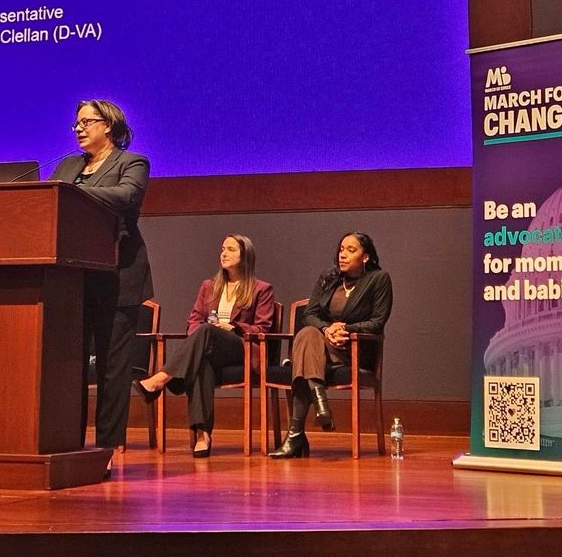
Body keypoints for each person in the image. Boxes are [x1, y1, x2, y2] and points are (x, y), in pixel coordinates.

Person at [50, 100, 151, 474]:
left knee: (112, 367)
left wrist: (74, 193)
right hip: (71, 279)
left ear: (108, 125)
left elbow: (127, 197)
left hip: (117, 274)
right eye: (75, 123)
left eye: (86, 121)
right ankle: (67, 444)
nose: (78, 128)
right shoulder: (67, 166)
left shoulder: (133, 162)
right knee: (68, 365)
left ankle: (107, 449)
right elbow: (48, 203)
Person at [134, 235, 274, 457]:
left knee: (208, 331)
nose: (223, 253)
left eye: (230, 249)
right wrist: (200, 335)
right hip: (210, 348)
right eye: (222, 249)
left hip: (240, 349)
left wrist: (233, 327)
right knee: (201, 362)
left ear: (245, 256)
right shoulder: (209, 286)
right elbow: (194, 321)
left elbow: (263, 328)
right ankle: (203, 434)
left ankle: (162, 378)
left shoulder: (261, 289)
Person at [269, 231, 392, 459]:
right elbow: (310, 314)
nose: (342, 255)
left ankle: (297, 434)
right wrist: (327, 330)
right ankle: (319, 403)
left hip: (353, 349)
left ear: (365, 257)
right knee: (307, 333)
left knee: (304, 353)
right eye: (341, 249)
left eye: (350, 250)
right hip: (321, 347)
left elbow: (377, 321)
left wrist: (345, 329)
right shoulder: (329, 277)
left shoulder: (379, 279)